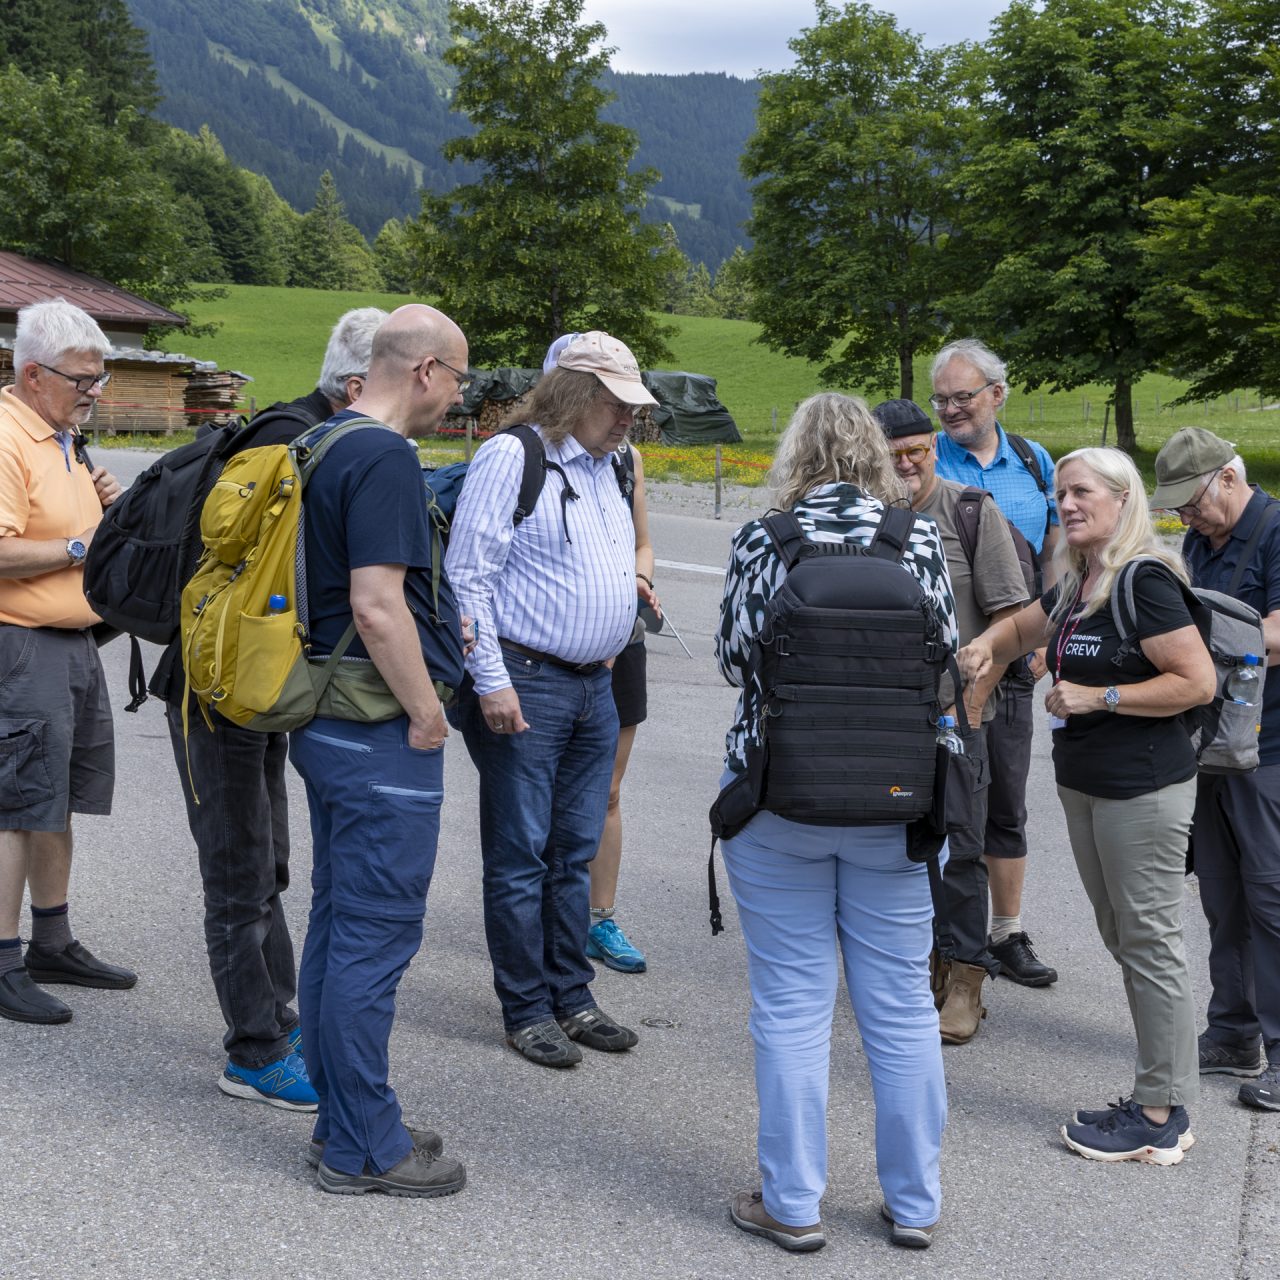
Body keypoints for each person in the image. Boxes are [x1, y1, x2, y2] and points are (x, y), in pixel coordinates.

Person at [719, 393, 957, 1253]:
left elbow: (734, 660)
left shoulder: (763, 538)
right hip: (896, 802)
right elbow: (942, 662)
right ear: (877, 456)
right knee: (898, 1007)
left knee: (790, 1003)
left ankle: (791, 1203)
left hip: (779, 793)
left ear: (796, 455)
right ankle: (915, 1204)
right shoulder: (917, 538)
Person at [151, 307, 387, 1110]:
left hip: (260, 685)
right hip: (219, 689)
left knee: (270, 861)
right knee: (238, 869)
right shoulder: (285, 443)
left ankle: (278, 1024)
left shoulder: (321, 440)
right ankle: (253, 1050)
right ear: (356, 384)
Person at [960, 447, 1215, 1165]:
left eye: (1081, 493)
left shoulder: (1143, 580)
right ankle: (1159, 1097)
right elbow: (1021, 629)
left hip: (1143, 789)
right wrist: (985, 646)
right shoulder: (1081, 581)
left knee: (1150, 944)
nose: (1066, 504)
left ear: (1121, 498)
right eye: (1059, 493)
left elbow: (1196, 682)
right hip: (1089, 785)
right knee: (1126, 939)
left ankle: (1159, 1114)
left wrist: (1101, 696)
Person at [288, 303, 468, 1198]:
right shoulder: (387, 456)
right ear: (427, 369)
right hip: (374, 731)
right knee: (375, 937)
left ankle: (340, 1123)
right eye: (461, 377)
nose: (460, 396)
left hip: (321, 721)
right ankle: (369, 1147)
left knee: (337, 923)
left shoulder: (322, 442)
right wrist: (428, 712)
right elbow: (377, 604)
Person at [445, 330, 650, 1068]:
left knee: (573, 851)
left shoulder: (613, 462)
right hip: (528, 681)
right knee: (520, 854)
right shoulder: (513, 455)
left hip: (596, 681)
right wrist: (490, 681)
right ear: (572, 394)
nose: (629, 418)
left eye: (634, 404)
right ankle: (526, 1007)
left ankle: (573, 996)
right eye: (615, 402)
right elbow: (467, 576)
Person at [875, 398, 1031, 1044]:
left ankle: (965, 979)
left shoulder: (970, 511)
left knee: (961, 848)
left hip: (960, 712)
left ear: (933, 449)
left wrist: (971, 701)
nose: (908, 464)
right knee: (893, 849)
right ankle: (914, 969)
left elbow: (1013, 620)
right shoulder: (868, 517)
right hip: (885, 717)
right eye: (895, 456)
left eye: (918, 451)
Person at [0, 298, 133, 1026]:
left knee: (52, 800)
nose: (94, 391)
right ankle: (3, 957)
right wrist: (85, 545)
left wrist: (105, 518)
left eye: (99, 379)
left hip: (72, 644)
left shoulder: (60, 434)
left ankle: (52, 939)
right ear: (32, 373)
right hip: (21, 645)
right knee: (15, 807)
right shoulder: (6, 435)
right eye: (83, 379)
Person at [1151, 428, 1280, 1110]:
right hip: (1213, 746)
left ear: (1230, 478)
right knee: (1223, 897)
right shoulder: (1203, 540)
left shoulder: (1278, 530)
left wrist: (1192, 645)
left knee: (1273, 897)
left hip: (1272, 750)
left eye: (1192, 502)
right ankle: (1233, 1030)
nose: (1184, 519)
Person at [931, 339, 1059, 987]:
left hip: (1014, 665)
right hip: (942, 669)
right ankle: (941, 939)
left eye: (963, 397)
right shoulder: (923, 461)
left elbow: (1061, 556)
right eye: (943, 399)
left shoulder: (1036, 466)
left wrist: (1045, 642)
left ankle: (1005, 934)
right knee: (943, 805)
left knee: (1006, 801)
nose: (952, 410)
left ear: (997, 395)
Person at [541, 333, 659, 974]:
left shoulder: (626, 460)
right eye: (615, 403)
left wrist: (639, 579)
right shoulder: (529, 456)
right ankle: (541, 914)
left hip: (622, 647)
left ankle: (598, 919)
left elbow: (643, 543)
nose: (626, 419)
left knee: (606, 791)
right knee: (540, 794)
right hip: (547, 658)